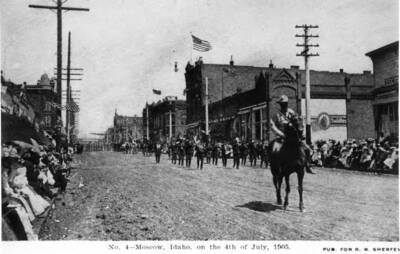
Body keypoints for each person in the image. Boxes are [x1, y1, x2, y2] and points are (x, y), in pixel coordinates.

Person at [270, 94, 314, 174]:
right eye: (282, 104)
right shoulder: (277, 115)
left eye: (285, 103)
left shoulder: (292, 112)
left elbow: (298, 123)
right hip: (281, 137)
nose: (284, 105)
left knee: (307, 149)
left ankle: (308, 165)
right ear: (280, 105)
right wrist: (281, 134)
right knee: (274, 151)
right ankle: (276, 166)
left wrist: (300, 132)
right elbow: (273, 126)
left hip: (292, 136)